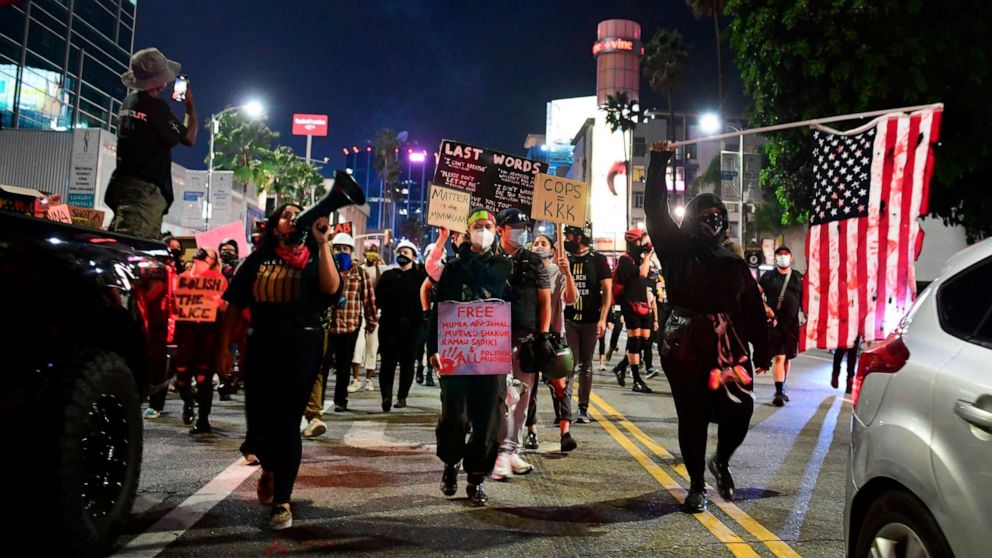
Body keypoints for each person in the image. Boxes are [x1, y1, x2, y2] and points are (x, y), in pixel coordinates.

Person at [644, 141, 771, 514]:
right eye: (706, 214)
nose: (712, 220)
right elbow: (655, 208)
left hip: (728, 347)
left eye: (718, 215)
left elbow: (752, 308)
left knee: (740, 409)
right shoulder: (676, 248)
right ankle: (697, 484)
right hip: (686, 343)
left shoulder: (734, 265)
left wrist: (762, 348)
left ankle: (722, 460)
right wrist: (658, 161)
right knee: (693, 414)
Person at [217, 203, 341, 530]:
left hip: (303, 346)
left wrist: (323, 241)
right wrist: (223, 349)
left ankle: (283, 500)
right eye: (287, 214)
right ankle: (269, 468)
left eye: (298, 213)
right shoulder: (258, 259)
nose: (293, 218)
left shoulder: (316, 256)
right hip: (263, 346)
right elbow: (236, 304)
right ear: (275, 227)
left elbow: (331, 289)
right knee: (258, 423)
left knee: (287, 423)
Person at [429, 207, 512, 506]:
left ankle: (476, 477)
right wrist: (431, 349)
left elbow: (486, 280)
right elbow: (438, 310)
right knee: (453, 416)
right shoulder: (452, 268)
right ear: (467, 230)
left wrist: (464, 251)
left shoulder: (502, 265)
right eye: (477, 226)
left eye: (487, 225)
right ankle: (451, 464)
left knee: (489, 421)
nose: (483, 230)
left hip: (490, 356)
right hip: (456, 355)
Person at [106, 48, 197, 239]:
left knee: (127, 242)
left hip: (125, 186)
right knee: (135, 248)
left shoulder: (128, 103)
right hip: (143, 194)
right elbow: (189, 138)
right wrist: (190, 106)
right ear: (160, 81)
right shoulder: (156, 108)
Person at [492, 208, 553, 481]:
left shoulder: (534, 261)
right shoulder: (489, 260)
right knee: (498, 395)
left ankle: (511, 449)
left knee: (523, 396)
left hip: (525, 337)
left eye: (523, 226)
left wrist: (543, 336)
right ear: (500, 229)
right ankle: (497, 451)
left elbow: (545, 301)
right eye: (514, 226)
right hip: (492, 337)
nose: (520, 230)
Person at [304, 233, 376, 435]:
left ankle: (340, 400)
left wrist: (371, 321)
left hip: (350, 326)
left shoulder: (360, 274)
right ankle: (317, 403)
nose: (342, 252)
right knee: (322, 366)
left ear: (352, 252)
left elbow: (368, 299)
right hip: (328, 327)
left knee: (345, 365)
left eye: (346, 249)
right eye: (338, 249)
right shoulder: (325, 269)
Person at [523, 229, 579, 452]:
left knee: (559, 384)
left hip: (554, 336)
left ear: (552, 250)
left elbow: (571, 299)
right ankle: (532, 431)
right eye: (535, 242)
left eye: (543, 243)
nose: (538, 246)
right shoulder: (525, 272)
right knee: (529, 387)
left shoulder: (557, 271)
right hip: (530, 335)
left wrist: (568, 274)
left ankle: (565, 432)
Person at [562, 222, 612, 423]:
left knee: (586, 365)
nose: (566, 240)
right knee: (568, 365)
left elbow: (607, 291)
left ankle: (583, 408)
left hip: (591, 320)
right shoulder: (565, 259)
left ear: (579, 237)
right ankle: (564, 410)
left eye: (569, 236)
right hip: (570, 319)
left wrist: (603, 318)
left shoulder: (598, 260)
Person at [174, 248, 227, 434]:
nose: (200, 260)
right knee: (181, 376)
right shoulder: (182, 279)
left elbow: (226, 308)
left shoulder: (219, 282)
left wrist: (219, 302)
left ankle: (203, 418)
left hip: (208, 335)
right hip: (186, 334)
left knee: (204, 378)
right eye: (199, 257)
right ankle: (188, 402)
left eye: (206, 258)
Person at [375, 240, 427, 411]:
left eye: (406, 252)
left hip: (413, 326)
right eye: (400, 252)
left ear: (413, 256)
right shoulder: (388, 276)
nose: (403, 255)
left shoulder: (420, 277)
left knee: (407, 362)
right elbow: (378, 299)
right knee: (387, 363)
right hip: (389, 325)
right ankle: (386, 397)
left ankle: (402, 396)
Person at [758, 246, 804, 407]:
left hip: (791, 325)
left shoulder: (798, 278)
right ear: (775, 258)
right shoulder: (768, 277)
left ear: (791, 258)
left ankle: (782, 387)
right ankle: (779, 392)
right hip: (775, 323)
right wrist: (766, 308)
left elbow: (805, 300)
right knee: (779, 356)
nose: (783, 257)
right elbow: (755, 294)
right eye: (780, 255)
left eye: (785, 255)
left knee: (787, 357)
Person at [611, 228, 655, 393]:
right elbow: (642, 274)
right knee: (635, 342)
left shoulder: (639, 259)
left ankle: (621, 366)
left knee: (644, 342)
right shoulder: (625, 260)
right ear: (633, 242)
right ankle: (636, 380)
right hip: (630, 304)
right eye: (640, 241)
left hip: (644, 303)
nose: (642, 244)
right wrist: (648, 257)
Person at [348, 245, 385, 393]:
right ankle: (355, 379)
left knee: (372, 346)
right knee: (357, 345)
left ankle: (369, 380)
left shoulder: (380, 269)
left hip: (375, 310)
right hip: (360, 309)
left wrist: (379, 264)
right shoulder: (359, 269)